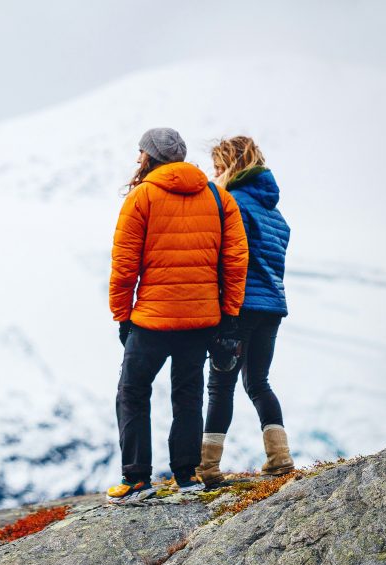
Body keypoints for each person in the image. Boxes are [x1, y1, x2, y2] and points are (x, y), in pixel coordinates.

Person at [107, 128, 248, 502]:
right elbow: (235, 261)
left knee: (132, 393)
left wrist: (123, 316)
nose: (137, 159)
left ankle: (137, 479)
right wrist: (229, 313)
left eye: (140, 152)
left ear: (151, 157)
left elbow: (124, 267)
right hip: (202, 319)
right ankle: (186, 476)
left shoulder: (142, 197)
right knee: (188, 395)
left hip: (152, 321)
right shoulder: (218, 196)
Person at [196, 136, 294, 487]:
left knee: (220, 385)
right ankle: (280, 457)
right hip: (272, 307)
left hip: (239, 307)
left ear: (232, 166)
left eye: (219, 167)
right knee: (258, 381)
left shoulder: (232, 202)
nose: (214, 173)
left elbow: (225, 255)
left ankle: (207, 467)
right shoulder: (275, 213)